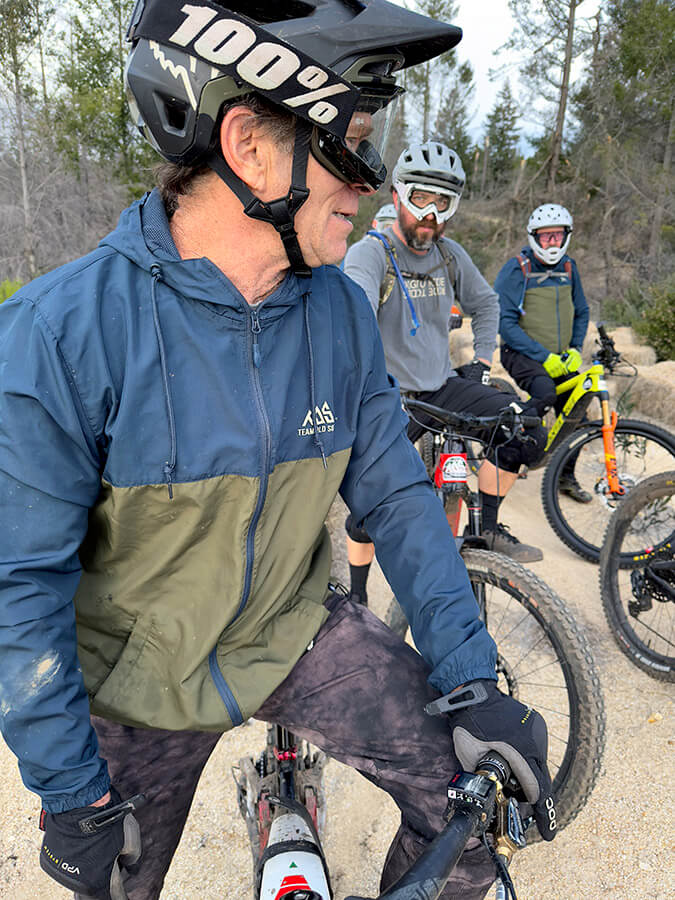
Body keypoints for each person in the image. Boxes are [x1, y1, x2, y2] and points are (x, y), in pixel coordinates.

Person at [0, 4, 556, 900]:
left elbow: (398, 498)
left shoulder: (336, 312)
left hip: (290, 632)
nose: (370, 186)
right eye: (353, 148)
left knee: (469, 802)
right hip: (136, 682)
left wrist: (472, 677)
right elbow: (19, 590)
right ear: (249, 146)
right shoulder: (60, 333)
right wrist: (70, 792)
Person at [342, 140, 548, 605]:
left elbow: (487, 304)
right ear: (397, 196)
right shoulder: (371, 254)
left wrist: (482, 362)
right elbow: (354, 316)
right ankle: (357, 597)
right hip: (391, 396)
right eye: (420, 198)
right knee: (368, 506)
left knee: (527, 429)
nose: (431, 214)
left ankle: (487, 530)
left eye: (443, 202)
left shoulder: (449, 254)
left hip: (442, 386)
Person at [494, 203, 591, 502]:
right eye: (546, 236)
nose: (552, 243)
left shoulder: (569, 268)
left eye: (557, 236)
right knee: (545, 393)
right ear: (534, 236)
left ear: (566, 236)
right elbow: (504, 322)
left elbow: (582, 311)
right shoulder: (517, 269)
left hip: (560, 357)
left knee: (578, 408)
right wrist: (542, 356)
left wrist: (575, 349)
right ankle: (510, 451)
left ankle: (564, 476)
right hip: (520, 353)